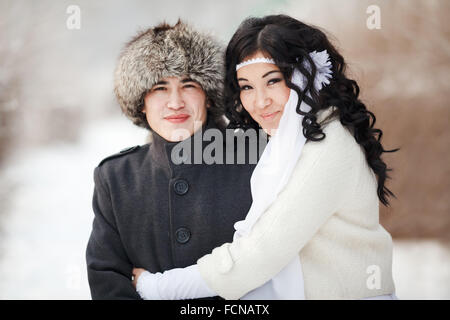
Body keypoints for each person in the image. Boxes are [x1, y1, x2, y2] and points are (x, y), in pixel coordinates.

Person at [132, 14, 399, 300]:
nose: (260, 102)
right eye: (247, 86)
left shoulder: (327, 148)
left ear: (307, 74)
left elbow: (259, 255)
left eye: (273, 81)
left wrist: (155, 287)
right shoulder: (289, 139)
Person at [85, 20, 258, 299]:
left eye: (188, 85)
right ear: (141, 101)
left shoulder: (254, 159)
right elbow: (107, 279)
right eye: (160, 88)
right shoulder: (116, 178)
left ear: (210, 98)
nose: (175, 102)